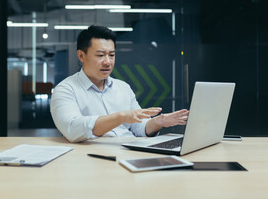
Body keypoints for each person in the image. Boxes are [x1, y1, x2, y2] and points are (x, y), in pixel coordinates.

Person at [50, 25, 188, 142]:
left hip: (130, 150)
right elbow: (72, 129)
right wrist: (120, 117)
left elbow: (138, 127)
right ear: (81, 56)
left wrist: (158, 122)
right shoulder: (65, 89)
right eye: (100, 55)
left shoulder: (123, 87)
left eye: (111, 55)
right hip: (92, 157)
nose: (107, 62)